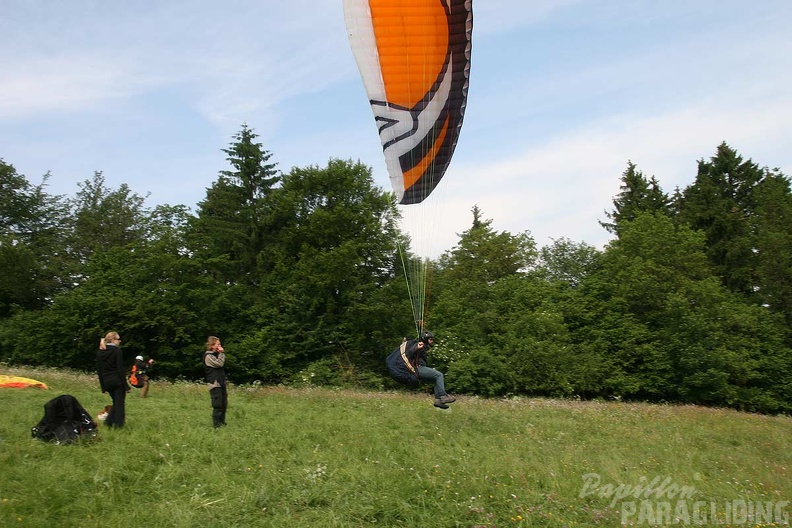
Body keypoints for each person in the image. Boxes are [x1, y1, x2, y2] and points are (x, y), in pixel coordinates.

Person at [389, 331, 456, 409]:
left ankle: (438, 401)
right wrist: (416, 347)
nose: (432, 341)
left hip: (418, 370)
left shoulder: (424, 346)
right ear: (426, 339)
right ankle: (443, 396)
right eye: (430, 339)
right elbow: (410, 352)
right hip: (418, 369)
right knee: (439, 375)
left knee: (435, 380)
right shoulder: (419, 345)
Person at [95, 331, 130, 427]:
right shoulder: (117, 351)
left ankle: (108, 422)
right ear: (113, 340)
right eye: (118, 339)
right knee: (119, 404)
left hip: (107, 382)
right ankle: (119, 425)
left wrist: (103, 387)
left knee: (116, 403)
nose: (120, 341)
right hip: (117, 381)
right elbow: (120, 369)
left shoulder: (99, 353)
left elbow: (99, 371)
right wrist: (126, 386)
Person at [203, 336, 227, 428]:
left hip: (221, 382)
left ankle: (222, 423)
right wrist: (221, 353)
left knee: (224, 404)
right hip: (214, 383)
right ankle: (216, 425)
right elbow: (219, 363)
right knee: (218, 405)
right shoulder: (208, 356)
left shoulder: (216, 354)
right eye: (218, 344)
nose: (220, 345)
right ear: (212, 345)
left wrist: (220, 353)